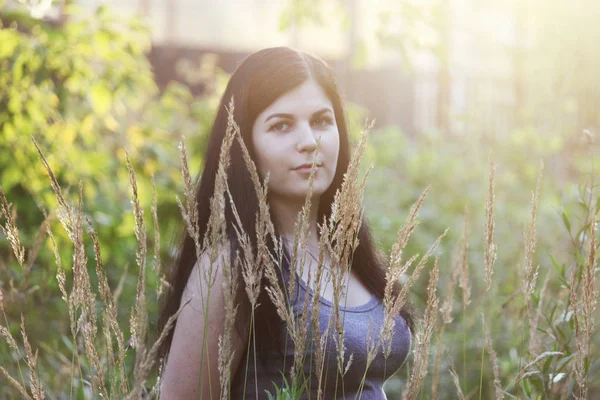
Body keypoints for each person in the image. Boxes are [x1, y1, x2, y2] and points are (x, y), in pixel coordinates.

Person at [157, 46, 413, 399]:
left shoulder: (349, 254)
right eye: (281, 126)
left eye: (322, 121)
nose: (309, 142)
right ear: (243, 144)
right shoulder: (232, 269)